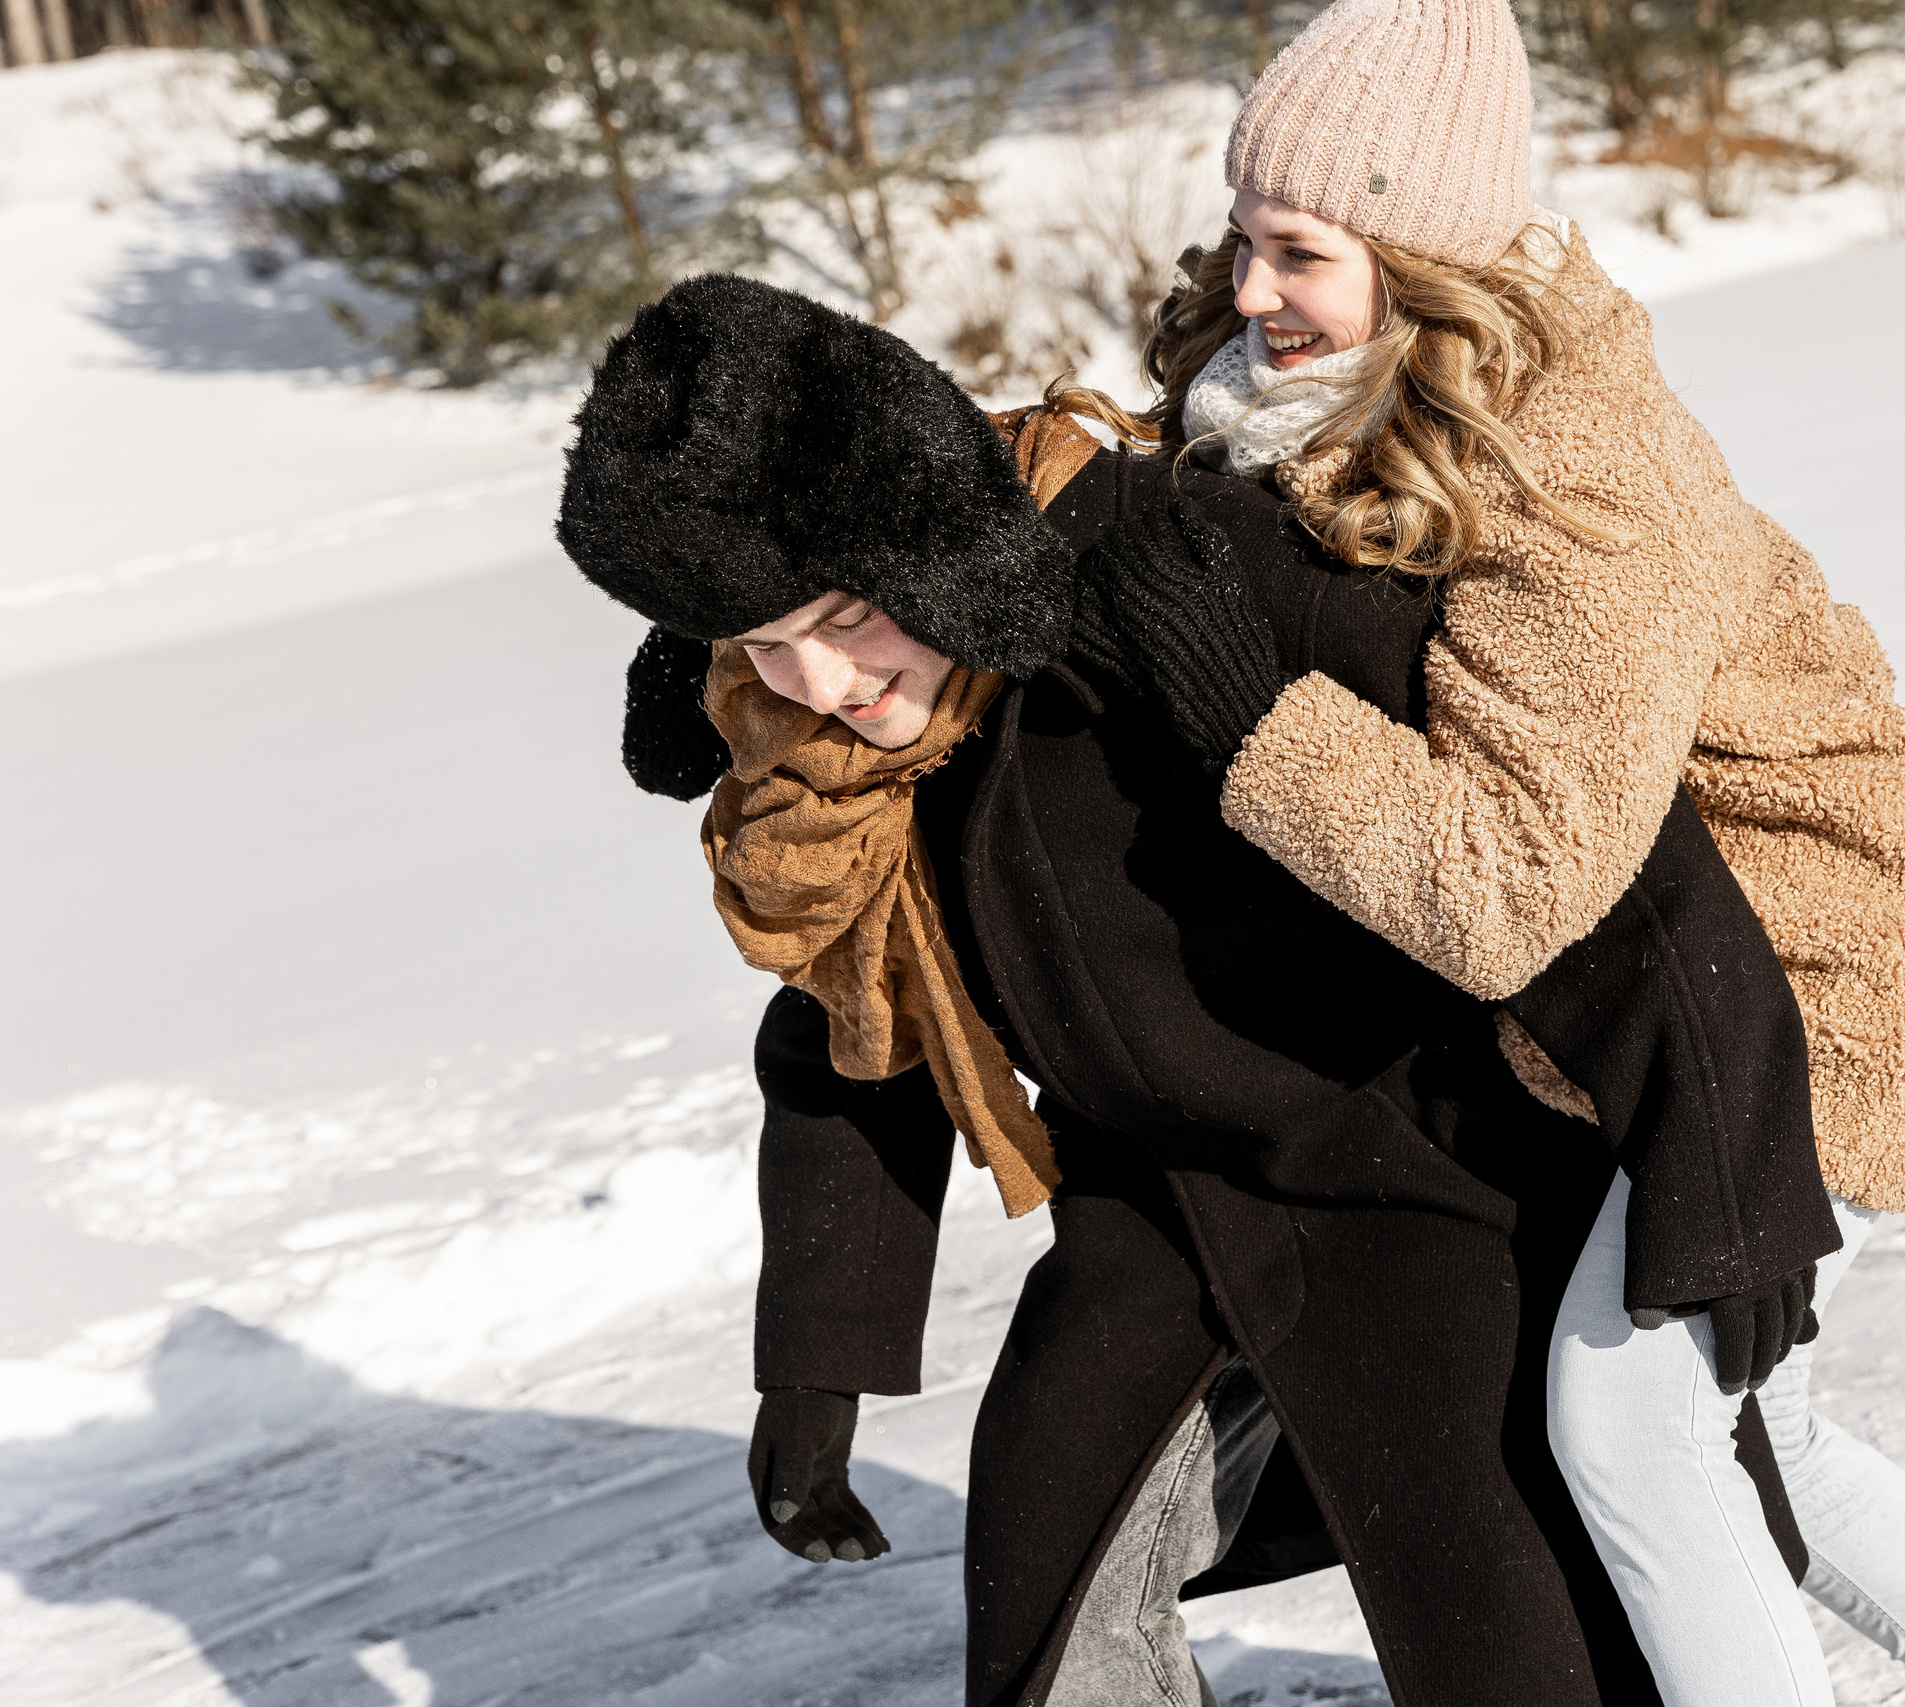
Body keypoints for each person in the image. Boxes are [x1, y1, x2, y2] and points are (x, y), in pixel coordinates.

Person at [555, 273, 1835, 1707]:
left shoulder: (1194, 563)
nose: (820, 684)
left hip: (1433, 1192)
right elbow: (859, 1026)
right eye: (759, 643)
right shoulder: (851, 765)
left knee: (1545, 1654)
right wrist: (818, 1352)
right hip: (1152, 1224)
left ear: (916, 533)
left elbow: (1607, 872)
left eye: (844, 615)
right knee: (1053, 1640)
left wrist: (1736, 1187)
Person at [1062, 2, 1905, 1703]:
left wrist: (1244, 717)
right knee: (1724, 1411)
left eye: (1301, 252)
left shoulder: (1582, 474)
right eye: (1244, 237)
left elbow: (1504, 881)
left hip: (1821, 958)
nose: (1251, 292)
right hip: (1656, 972)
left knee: (1627, 1422)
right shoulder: (1323, 395)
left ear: (1426, 259)